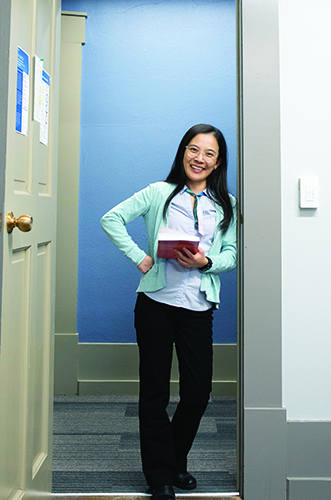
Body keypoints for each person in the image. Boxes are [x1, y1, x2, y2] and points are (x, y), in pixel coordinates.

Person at [100, 124, 237, 500]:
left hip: (197, 306)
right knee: (155, 391)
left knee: (197, 393)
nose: (199, 158)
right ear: (183, 153)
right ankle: (160, 474)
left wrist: (206, 261)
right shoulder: (158, 193)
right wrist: (140, 258)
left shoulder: (227, 204)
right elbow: (110, 219)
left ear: (217, 162)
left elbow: (233, 254)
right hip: (156, 305)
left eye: (209, 154)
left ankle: (173, 459)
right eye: (193, 150)